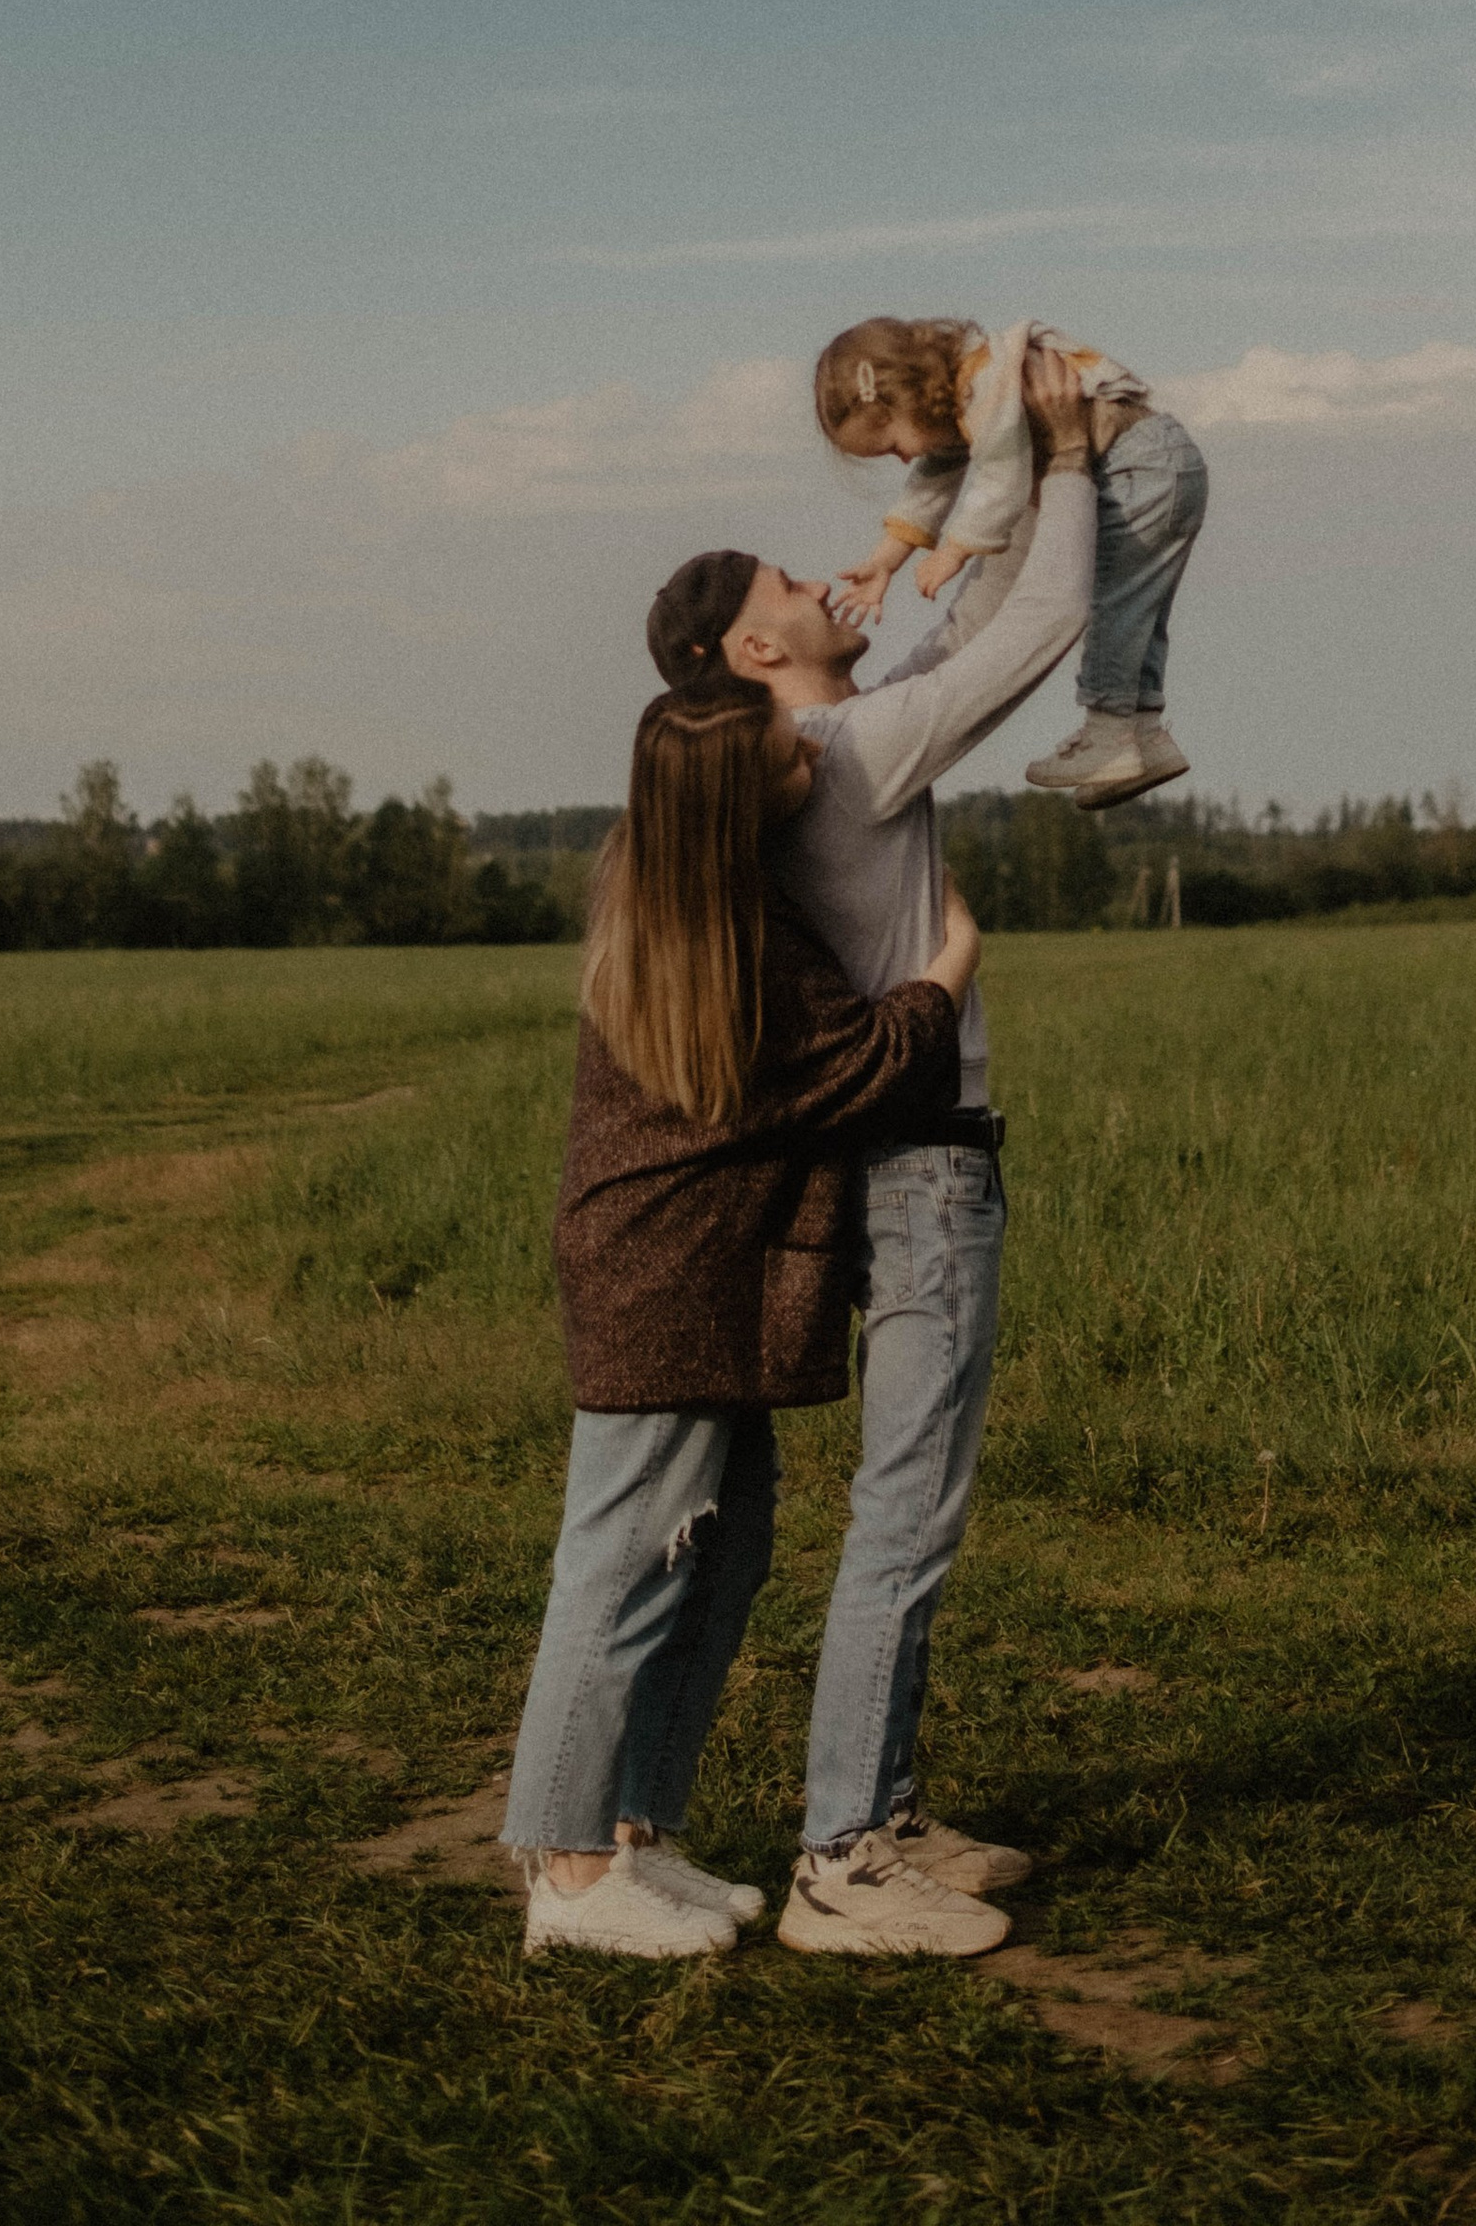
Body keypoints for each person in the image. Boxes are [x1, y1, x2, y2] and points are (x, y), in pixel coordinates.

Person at [644, 338, 1097, 1954]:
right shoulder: (847, 751)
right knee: (909, 1502)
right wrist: (1075, 459)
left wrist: (977, 501)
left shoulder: (834, 746)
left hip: (892, 1155)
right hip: (926, 1161)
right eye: (797, 578)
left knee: (907, 1495)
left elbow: (964, 629)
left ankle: (885, 1810)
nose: (830, 579)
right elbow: (1039, 633)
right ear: (756, 641)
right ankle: (845, 1857)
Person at [500, 682, 983, 1960]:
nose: (808, 766)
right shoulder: (724, 930)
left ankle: (634, 1839)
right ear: (733, 803)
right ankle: (562, 1865)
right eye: (785, 761)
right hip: (664, 1277)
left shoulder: (694, 896)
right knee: (619, 1569)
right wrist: (948, 968)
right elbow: (859, 1062)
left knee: (714, 1551)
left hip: (698, 1273)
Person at [813, 315, 1208, 812]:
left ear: (898, 399)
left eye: (891, 445)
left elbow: (1001, 474)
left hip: (1136, 465)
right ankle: (1143, 733)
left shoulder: (986, 387)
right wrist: (884, 563)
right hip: (1157, 465)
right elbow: (932, 477)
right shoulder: (964, 396)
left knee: (1114, 606)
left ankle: (1109, 733)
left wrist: (954, 550)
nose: (899, 459)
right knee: (1137, 612)